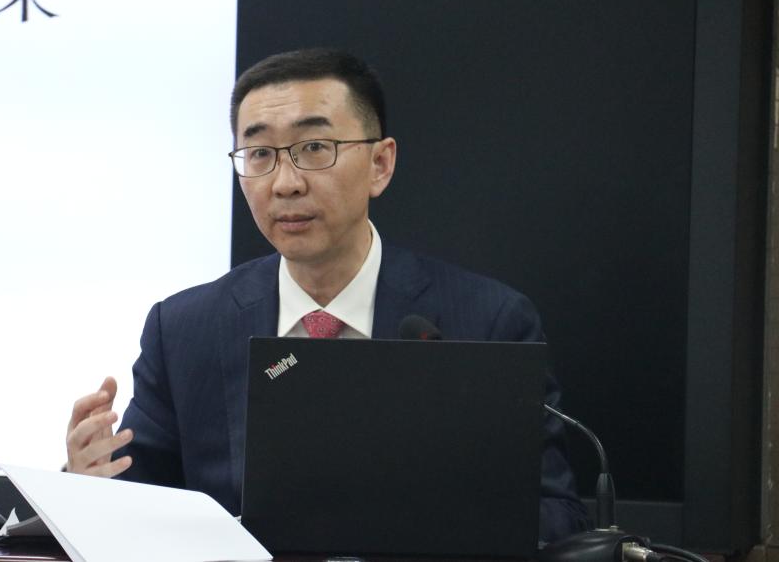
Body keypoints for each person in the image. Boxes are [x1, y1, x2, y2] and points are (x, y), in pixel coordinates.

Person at [65, 48, 590, 542]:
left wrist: (418, 524)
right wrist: (85, 485)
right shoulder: (185, 328)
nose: (285, 183)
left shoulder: (485, 322)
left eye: (314, 148)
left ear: (380, 164)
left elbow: (557, 516)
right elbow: (139, 503)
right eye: (260, 153)